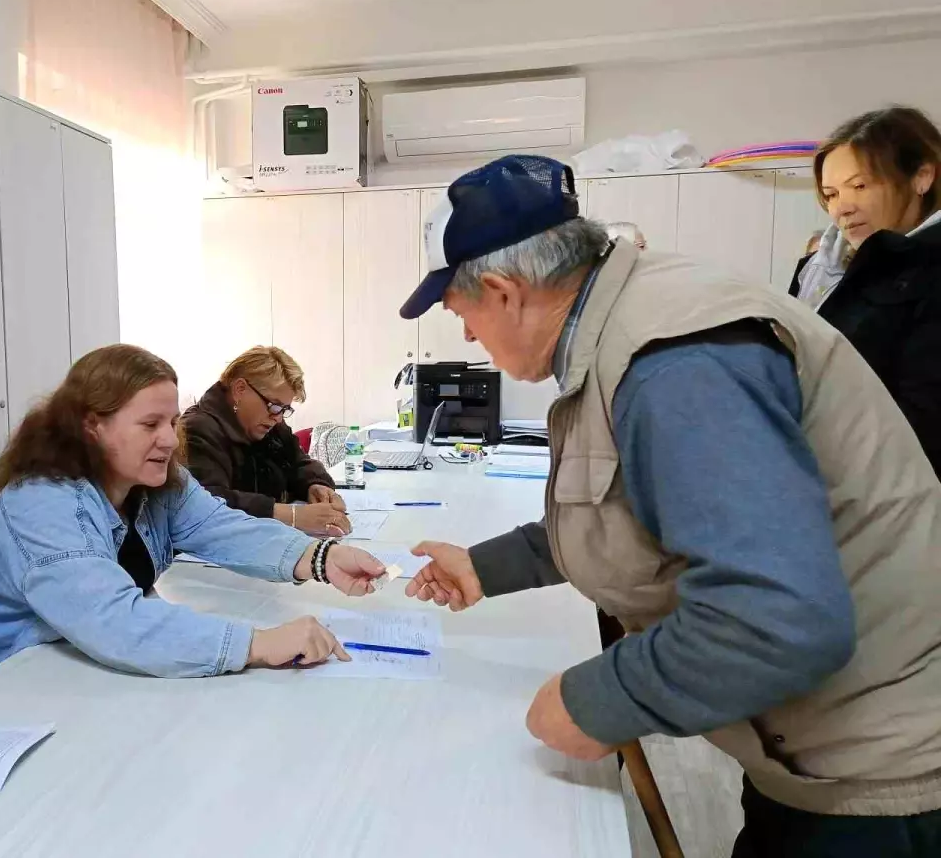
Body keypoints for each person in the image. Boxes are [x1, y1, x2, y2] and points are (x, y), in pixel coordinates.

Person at [398, 154, 941, 856]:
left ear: (503, 291)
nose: (467, 336)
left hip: (877, 784)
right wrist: (483, 566)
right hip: (813, 750)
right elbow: (626, 509)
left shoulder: (675, 362)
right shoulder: (632, 324)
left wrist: (596, 700)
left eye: (459, 311)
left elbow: (774, 619)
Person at [0, 345, 385, 712]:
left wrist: (320, 558)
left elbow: (221, 526)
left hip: (58, 685)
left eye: (172, 421)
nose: (167, 439)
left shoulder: (156, 481)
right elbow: (113, 621)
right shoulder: (42, 504)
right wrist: (259, 644)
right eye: (150, 423)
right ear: (92, 427)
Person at [789, 106, 941, 474]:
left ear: (921, 177)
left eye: (860, 186)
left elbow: (922, 417)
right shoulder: (817, 269)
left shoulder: (931, 267)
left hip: (892, 486)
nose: (843, 208)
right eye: (831, 194)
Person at [181, 346, 351, 537]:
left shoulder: (268, 422)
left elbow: (299, 462)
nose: (278, 418)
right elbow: (207, 501)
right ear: (240, 389)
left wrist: (316, 485)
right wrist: (288, 515)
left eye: (284, 409)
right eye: (275, 406)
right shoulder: (197, 429)